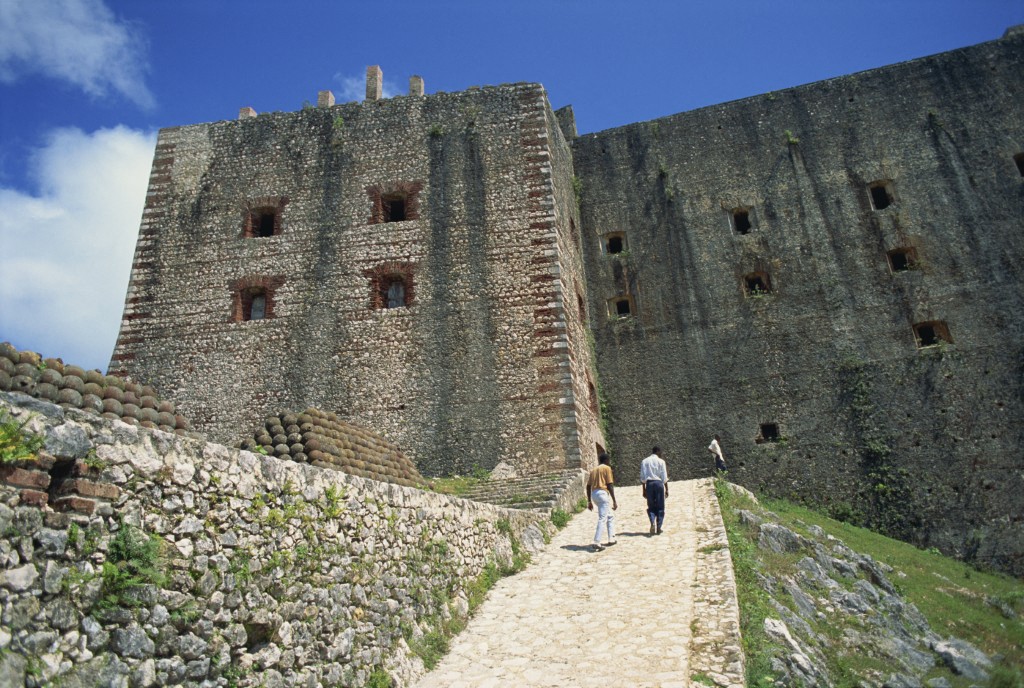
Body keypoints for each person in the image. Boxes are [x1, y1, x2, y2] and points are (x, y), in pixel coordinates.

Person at [586, 452, 618, 551]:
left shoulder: (593, 470)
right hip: (603, 493)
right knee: (602, 518)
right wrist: (614, 500)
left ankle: (611, 538)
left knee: (610, 516)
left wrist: (589, 501)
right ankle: (597, 542)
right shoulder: (607, 468)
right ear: (606, 460)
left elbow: (588, 486)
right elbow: (610, 485)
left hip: (594, 494)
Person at [640, 446, 669, 534]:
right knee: (660, 506)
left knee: (651, 505)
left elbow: (642, 477)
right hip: (659, 484)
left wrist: (644, 490)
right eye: (660, 452)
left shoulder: (644, 461)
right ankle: (659, 527)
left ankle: (652, 521)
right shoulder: (661, 461)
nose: (661, 454)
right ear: (657, 451)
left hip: (649, 484)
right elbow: (664, 476)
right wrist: (666, 489)